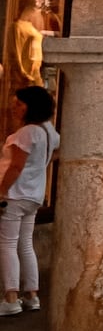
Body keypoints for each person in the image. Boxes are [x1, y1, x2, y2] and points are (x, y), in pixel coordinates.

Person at [0, 87, 56, 315]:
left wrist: (2, 191)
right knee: (24, 243)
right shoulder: (47, 132)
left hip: (15, 195)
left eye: (20, 105)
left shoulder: (25, 133)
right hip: (33, 195)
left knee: (8, 244)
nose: (15, 108)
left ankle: (10, 296)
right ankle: (31, 294)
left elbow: (16, 166)